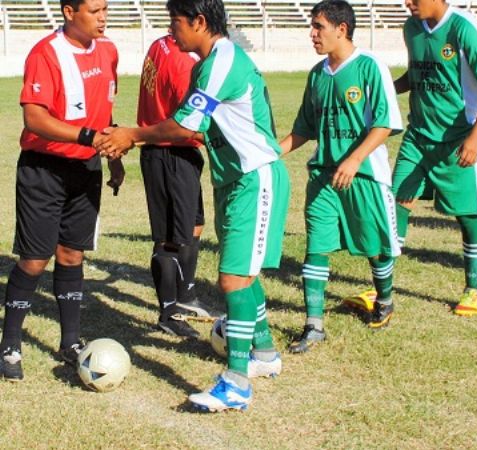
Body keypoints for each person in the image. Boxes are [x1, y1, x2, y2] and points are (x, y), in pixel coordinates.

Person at [96, 0, 289, 413]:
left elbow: (185, 125)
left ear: (199, 22)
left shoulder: (222, 61)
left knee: (233, 279)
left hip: (255, 179)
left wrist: (133, 133)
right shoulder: (207, 64)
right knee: (244, 274)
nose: (172, 30)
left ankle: (236, 382)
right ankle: (266, 355)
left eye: (176, 23)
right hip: (235, 180)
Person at [0, 0, 124, 382]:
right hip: (44, 169)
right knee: (35, 258)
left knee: (72, 254)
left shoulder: (108, 50)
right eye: (94, 10)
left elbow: (104, 112)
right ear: (69, 12)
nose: (103, 16)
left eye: (106, 8)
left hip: (86, 167)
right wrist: (89, 136)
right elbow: (34, 119)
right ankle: (10, 345)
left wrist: (113, 156)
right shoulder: (45, 53)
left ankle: (70, 341)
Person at [280, 0, 403, 353]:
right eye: (312, 26)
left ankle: (385, 298)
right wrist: (272, 153)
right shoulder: (317, 74)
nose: (312, 34)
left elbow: (385, 123)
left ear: (341, 29)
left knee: (375, 247)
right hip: (324, 176)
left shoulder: (370, 67)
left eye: (318, 26)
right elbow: (304, 127)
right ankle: (314, 325)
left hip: (364, 175)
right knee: (316, 247)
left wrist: (354, 159)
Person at [391, 0, 477, 316]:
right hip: (418, 137)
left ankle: (474, 288)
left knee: (468, 216)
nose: (407, 3)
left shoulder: (462, 28)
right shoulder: (411, 27)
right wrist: (384, 87)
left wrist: (475, 137)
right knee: (395, 202)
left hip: (458, 139)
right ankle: (382, 286)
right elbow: (416, 75)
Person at [137, 34, 220, 338]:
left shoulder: (159, 43)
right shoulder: (183, 62)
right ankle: (168, 312)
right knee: (170, 237)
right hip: (169, 151)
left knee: (193, 225)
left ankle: (185, 297)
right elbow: (191, 124)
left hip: (177, 152)